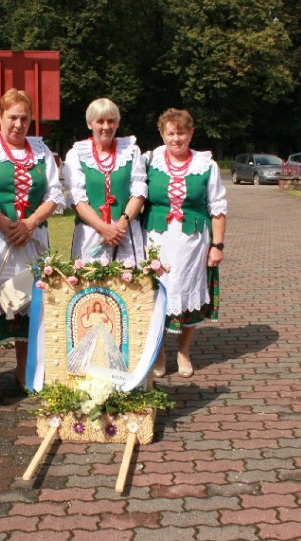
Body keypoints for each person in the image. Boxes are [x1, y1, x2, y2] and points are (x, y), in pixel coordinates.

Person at [0, 88, 64, 403]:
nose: (18, 124)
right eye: (12, 117)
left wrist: (30, 223)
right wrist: (7, 225)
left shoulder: (41, 150)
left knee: (28, 306)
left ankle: (23, 369)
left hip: (32, 241)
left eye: (25, 118)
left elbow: (56, 194)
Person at [143, 108, 227, 378]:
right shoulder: (149, 161)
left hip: (192, 243)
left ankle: (183, 351)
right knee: (156, 294)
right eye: (170, 133)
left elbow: (217, 208)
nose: (176, 138)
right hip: (155, 240)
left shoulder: (206, 166)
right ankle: (158, 353)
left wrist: (218, 245)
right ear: (161, 133)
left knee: (188, 291)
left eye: (181, 132)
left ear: (191, 133)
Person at [63, 98, 147, 264]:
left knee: (129, 287)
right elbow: (77, 199)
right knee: (91, 287)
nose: (106, 127)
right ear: (90, 124)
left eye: (111, 121)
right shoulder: (76, 154)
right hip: (90, 233)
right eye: (100, 121)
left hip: (125, 233)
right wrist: (104, 228)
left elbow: (139, 191)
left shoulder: (131, 151)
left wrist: (120, 226)